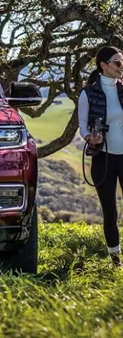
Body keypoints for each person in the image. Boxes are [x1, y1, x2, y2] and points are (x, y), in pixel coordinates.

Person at [78, 45, 123, 266]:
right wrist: (90, 138)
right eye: (117, 62)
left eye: (122, 62)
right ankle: (116, 259)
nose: (121, 66)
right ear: (103, 66)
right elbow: (82, 126)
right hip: (103, 158)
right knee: (110, 212)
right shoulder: (88, 93)